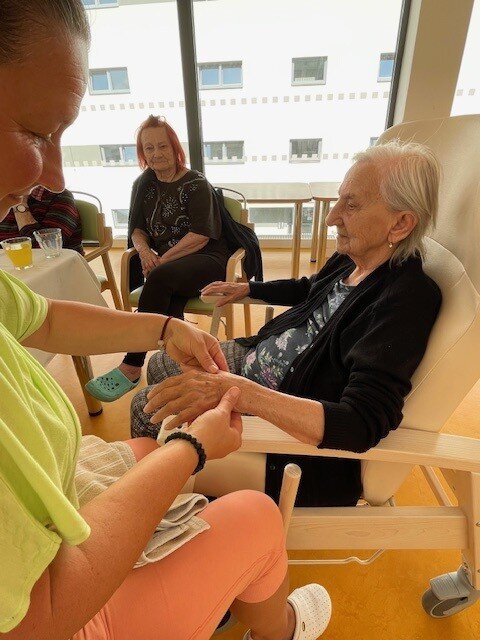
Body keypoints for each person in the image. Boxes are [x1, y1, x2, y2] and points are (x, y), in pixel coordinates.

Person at [0, 2, 332, 639]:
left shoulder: (198, 186)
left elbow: (41, 317)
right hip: (61, 605)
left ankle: (142, 369)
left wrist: (161, 326)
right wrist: (194, 447)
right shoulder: (142, 187)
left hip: (194, 268)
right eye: (37, 133)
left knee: (156, 337)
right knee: (257, 515)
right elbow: (39, 617)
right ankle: (277, 621)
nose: (57, 176)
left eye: (351, 201)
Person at [131, 140, 443, 508]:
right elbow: (310, 288)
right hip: (257, 361)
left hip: (285, 419)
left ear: (401, 223)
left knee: (144, 408)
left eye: (351, 205)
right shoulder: (355, 257)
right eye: (339, 200)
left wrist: (236, 391)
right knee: (159, 363)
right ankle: (172, 488)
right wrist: (249, 288)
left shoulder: (406, 299)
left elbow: (361, 423)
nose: (331, 217)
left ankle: (156, 511)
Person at [86, 115, 233, 402]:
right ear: (142, 153)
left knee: (160, 277)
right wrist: (144, 252)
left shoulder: (196, 183)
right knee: (166, 289)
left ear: (175, 148)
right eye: (149, 148)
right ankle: (179, 362)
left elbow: (200, 236)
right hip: (170, 266)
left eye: (162, 146)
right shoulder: (144, 183)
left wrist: (161, 260)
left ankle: (132, 364)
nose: (156, 154)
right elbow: (137, 229)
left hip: (207, 258)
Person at [0, 185, 84, 253]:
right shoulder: (4, 196)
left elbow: (48, 248)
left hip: (59, 265)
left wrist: (20, 205)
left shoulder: (61, 196)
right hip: (9, 264)